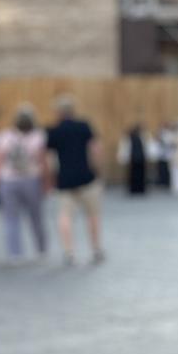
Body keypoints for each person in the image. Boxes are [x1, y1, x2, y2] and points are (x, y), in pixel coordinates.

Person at [49, 95, 105, 264]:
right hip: (86, 178)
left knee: (64, 216)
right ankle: (96, 249)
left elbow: (49, 158)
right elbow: (96, 150)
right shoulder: (83, 126)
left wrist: (52, 178)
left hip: (65, 180)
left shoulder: (53, 131)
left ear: (58, 112)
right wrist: (99, 172)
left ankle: (69, 252)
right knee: (93, 215)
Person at [0, 104, 48, 262]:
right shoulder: (38, 136)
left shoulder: (5, 136)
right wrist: (46, 182)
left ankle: (15, 252)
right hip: (31, 179)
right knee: (36, 217)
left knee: (11, 218)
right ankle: (41, 249)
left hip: (9, 180)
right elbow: (42, 161)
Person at [120, 123, 149, 196]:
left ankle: (139, 189)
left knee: (139, 174)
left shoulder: (142, 137)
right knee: (135, 174)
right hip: (135, 158)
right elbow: (126, 148)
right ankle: (135, 189)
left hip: (138, 158)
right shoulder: (130, 138)